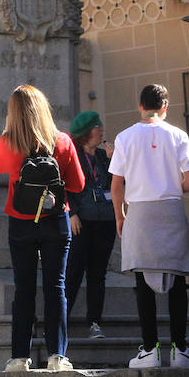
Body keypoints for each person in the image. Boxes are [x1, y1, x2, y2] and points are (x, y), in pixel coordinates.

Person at [0, 84, 86, 371]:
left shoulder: (10, 142)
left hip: (20, 220)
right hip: (56, 219)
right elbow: (78, 184)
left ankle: (20, 356)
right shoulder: (63, 141)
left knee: (24, 289)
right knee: (56, 287)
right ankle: (58, 355)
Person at [109, 84, 189, 369]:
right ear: (165, 107)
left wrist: (120, 216)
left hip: (140, 212)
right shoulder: (179, 135)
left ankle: (149, 349)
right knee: (178, 281)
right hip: (171, 209)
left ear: (140, 106)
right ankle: (180, 350)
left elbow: (116, 183)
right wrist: (172, 186)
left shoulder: (124, 137)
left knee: (142, 280)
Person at [65, 111, 116, 339]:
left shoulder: (106, 157)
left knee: (98, 274)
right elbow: (64, 185)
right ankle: (61, 320)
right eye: (98, 127)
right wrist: (72, 213)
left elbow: (117, 184)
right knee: (74, 271)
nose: (102, 130)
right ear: (87, 132)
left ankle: (95, 321)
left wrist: (115, 160)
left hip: (105, 220)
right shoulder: (72, 155)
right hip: (81, 220)